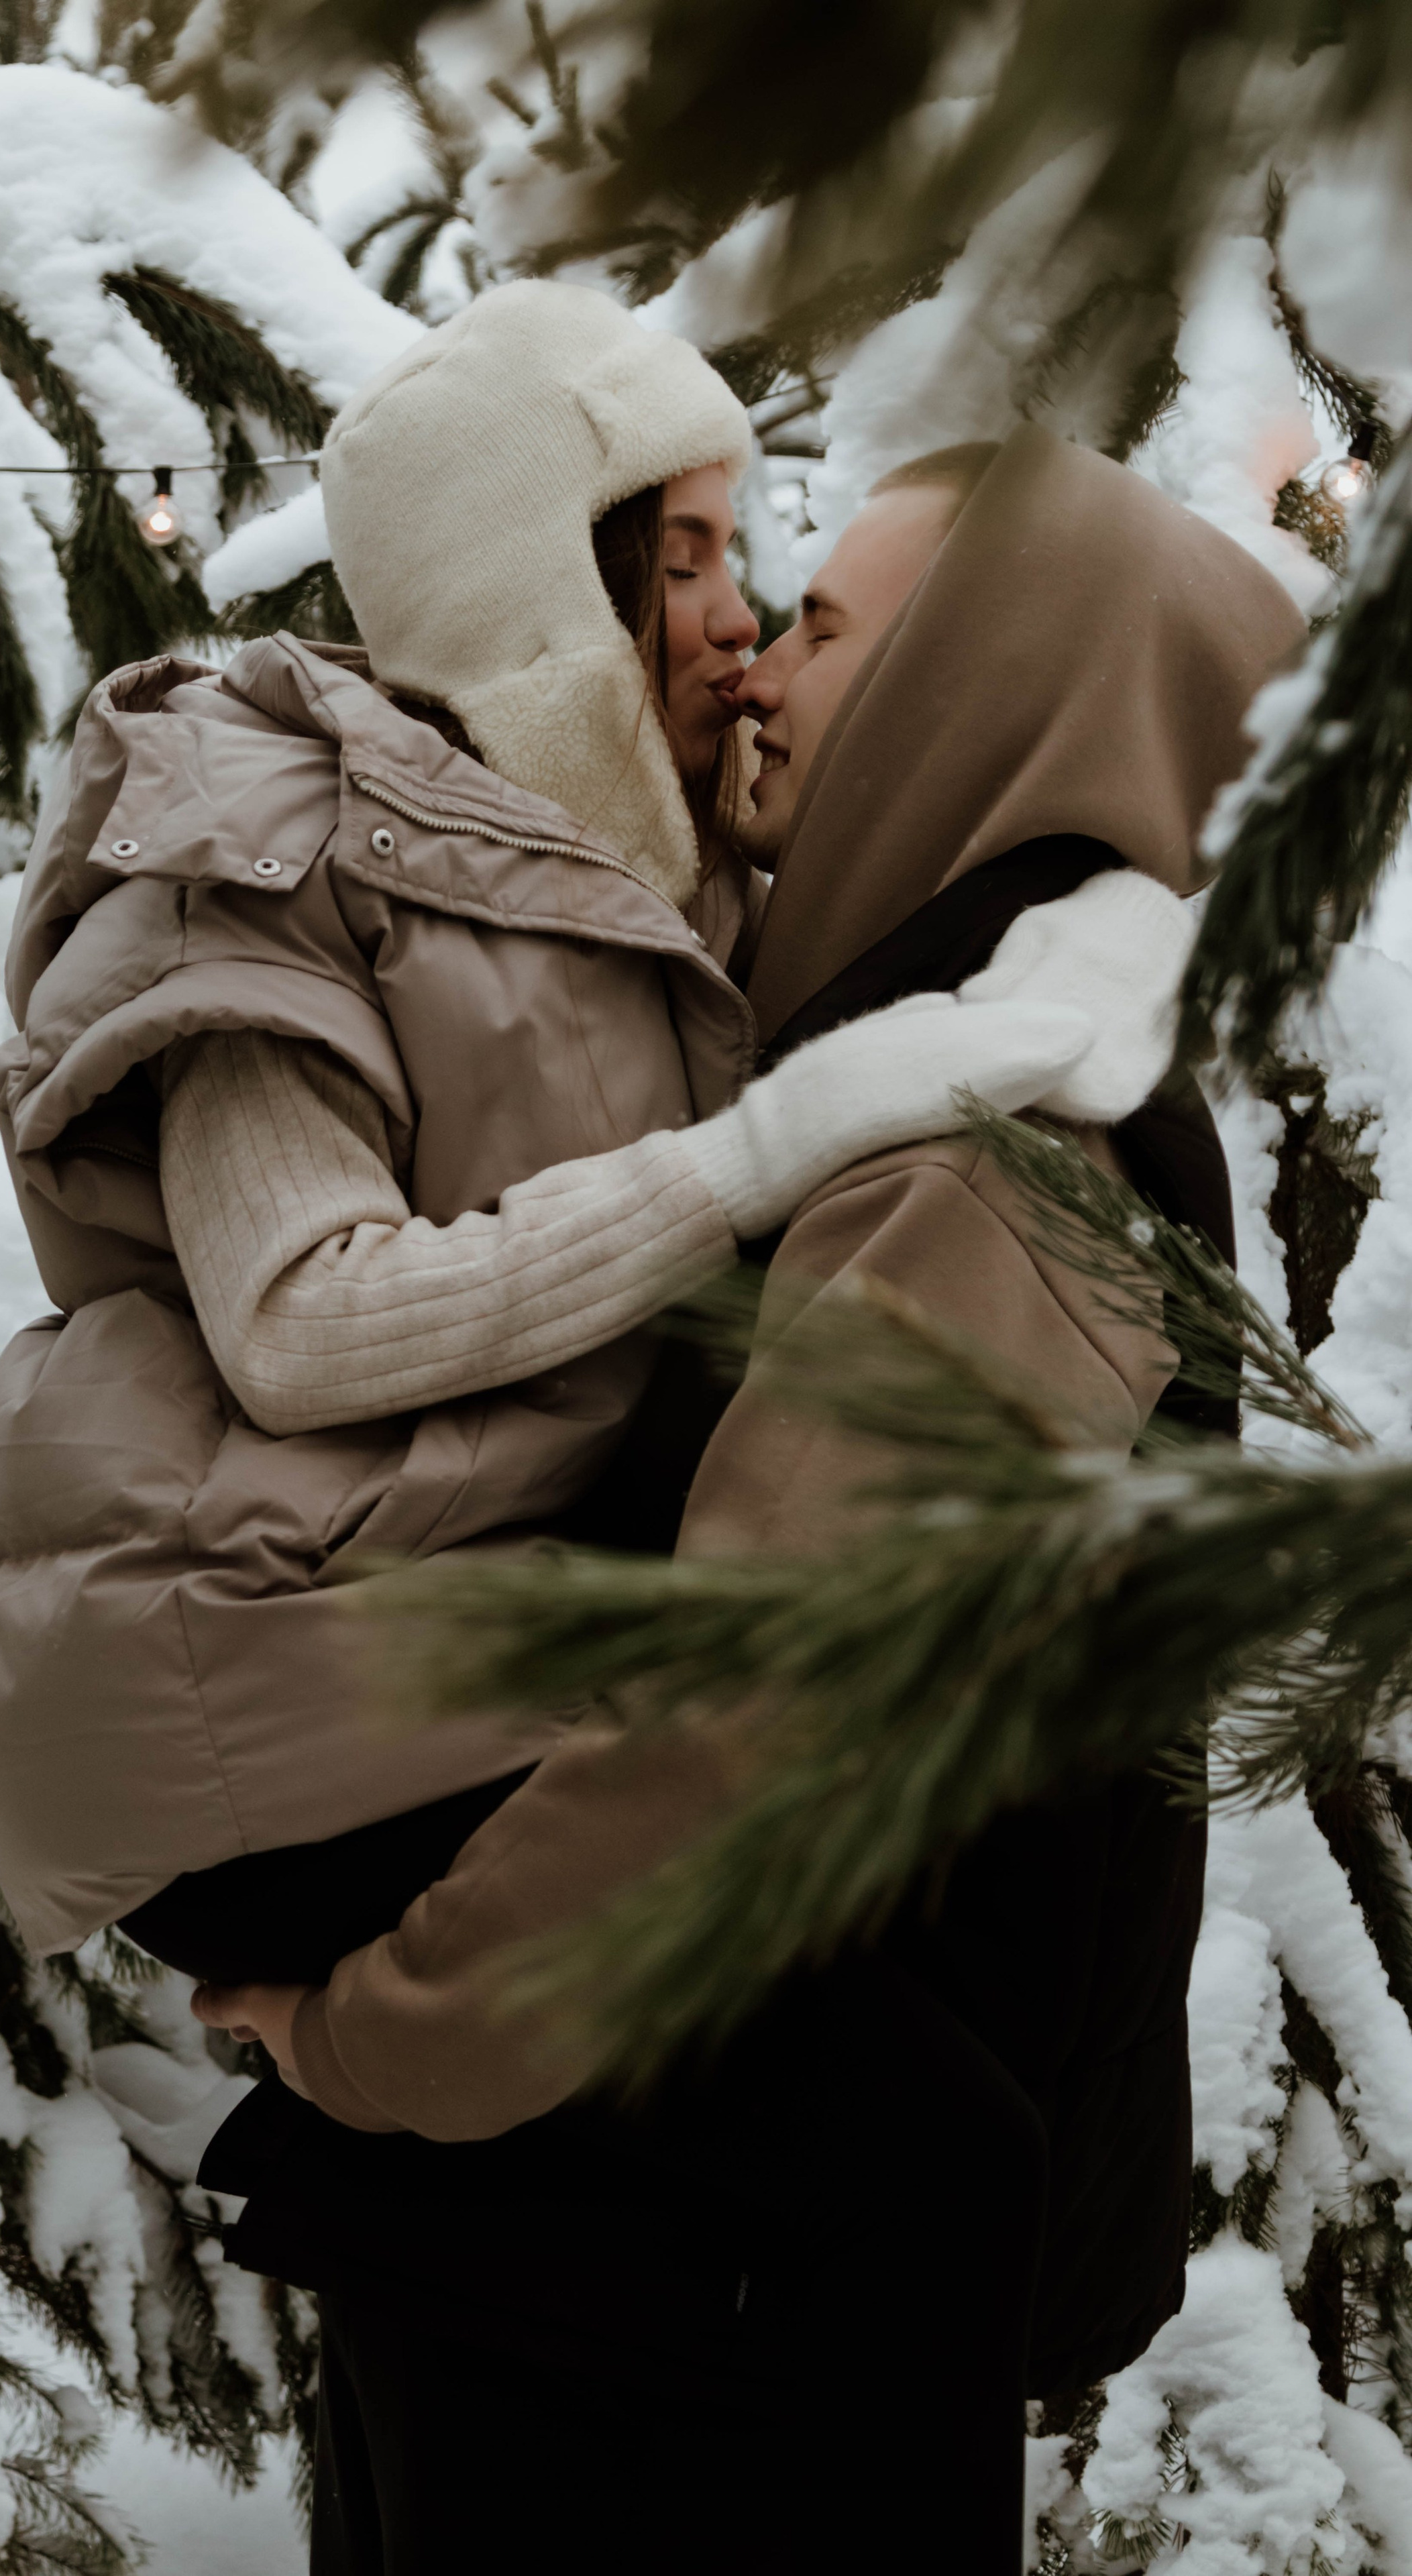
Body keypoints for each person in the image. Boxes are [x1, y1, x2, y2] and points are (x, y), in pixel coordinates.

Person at [191, 426, 1305, 2571]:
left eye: (817, 622)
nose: (750, 674)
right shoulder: (928, 1087)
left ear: (990, 696)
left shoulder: (986, 1152)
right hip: (699, 2267)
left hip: (690, 2321)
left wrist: (375, 2023)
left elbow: (753, 1732)